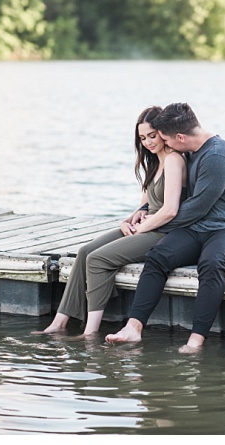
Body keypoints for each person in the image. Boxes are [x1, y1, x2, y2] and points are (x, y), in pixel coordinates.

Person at [106, 102, 225, 353]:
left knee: (212, 262)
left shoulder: (217, 155)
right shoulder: (192, 150)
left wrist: (149, 224)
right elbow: (165, 197)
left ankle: (195, 341)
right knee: (158, 256)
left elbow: (196, 207)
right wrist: (143, 213)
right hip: (199, 228)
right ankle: (134, 327)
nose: (164, 145)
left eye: (166, 139)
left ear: (181, 137)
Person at [35, 106, 186, 337]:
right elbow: (145, 204)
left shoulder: (175, 160)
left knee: (97, 259)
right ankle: (59, 322)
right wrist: (128, 221)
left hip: (163, 232)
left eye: (152, 136)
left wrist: (142, 227)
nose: (148, 142)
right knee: (85, 251)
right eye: (143, 138)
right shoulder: (153, 162)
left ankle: (90, 333)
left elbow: (169, 210)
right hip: (144, 227)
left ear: (163, 132)